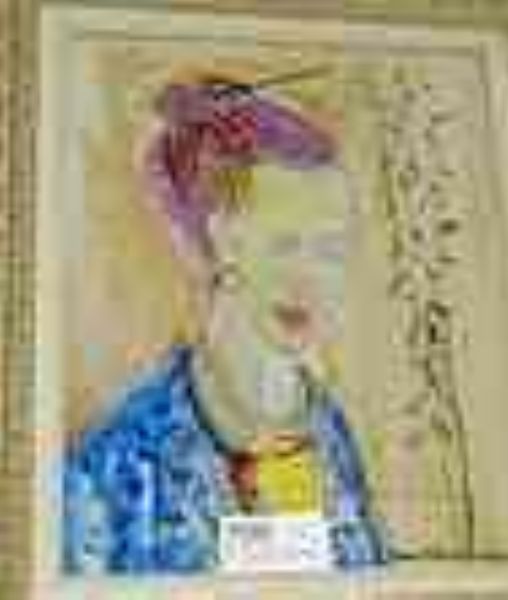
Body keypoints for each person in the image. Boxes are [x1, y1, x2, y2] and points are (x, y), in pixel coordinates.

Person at [63, 74, 390, 574]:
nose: (309, 280)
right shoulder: (117, 466)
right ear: (223, 239)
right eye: (285, 244)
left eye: (329, 250)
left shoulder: (331, 437)